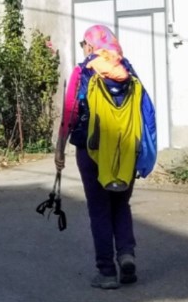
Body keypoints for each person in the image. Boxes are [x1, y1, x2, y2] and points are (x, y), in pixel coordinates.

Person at [53, 24, 157, 288]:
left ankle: (107, 272)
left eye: (83, 44)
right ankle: (126, 255)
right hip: (126, 149)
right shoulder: (127, 70)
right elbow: (145, 111)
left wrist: (60, 147)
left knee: (99, 209)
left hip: (92, 149)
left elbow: (70, 112)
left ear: (90, 45)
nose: (83, 49)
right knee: (120, 204)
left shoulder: (83, 71)